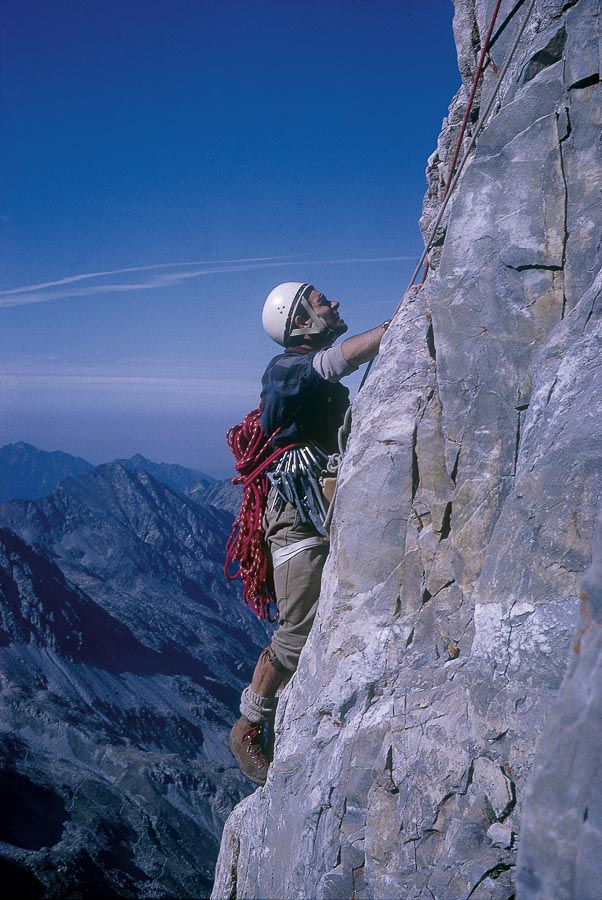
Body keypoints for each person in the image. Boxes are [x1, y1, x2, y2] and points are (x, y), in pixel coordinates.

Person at [229, 282, 390, 783]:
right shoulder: (285, 371)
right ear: (301, 322)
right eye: (322, 303)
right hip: (293, 512)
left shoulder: (310, 378)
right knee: (299, 627)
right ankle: (248, 725)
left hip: (313, 500)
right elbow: (331, 364)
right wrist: (394, 329)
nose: (335, 303)